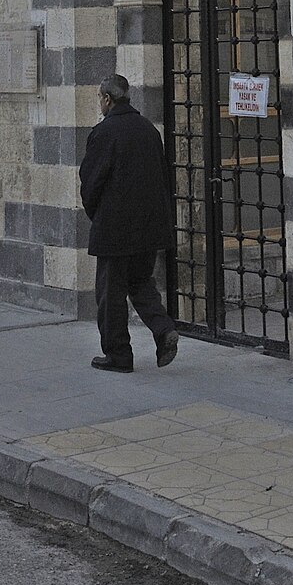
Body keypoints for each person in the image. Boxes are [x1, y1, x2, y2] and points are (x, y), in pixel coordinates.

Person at [78, 73, 179, 374]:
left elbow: (90, 182)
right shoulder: (149, 130)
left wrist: (98, 215)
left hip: (115, 230)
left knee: (110, 295)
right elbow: (162, 177)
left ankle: (118, 354)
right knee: (140, 285)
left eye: (100, 98)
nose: (100, 103)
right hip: (148, 228)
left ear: (107, 99)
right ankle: (163, 329)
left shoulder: (105, 132)